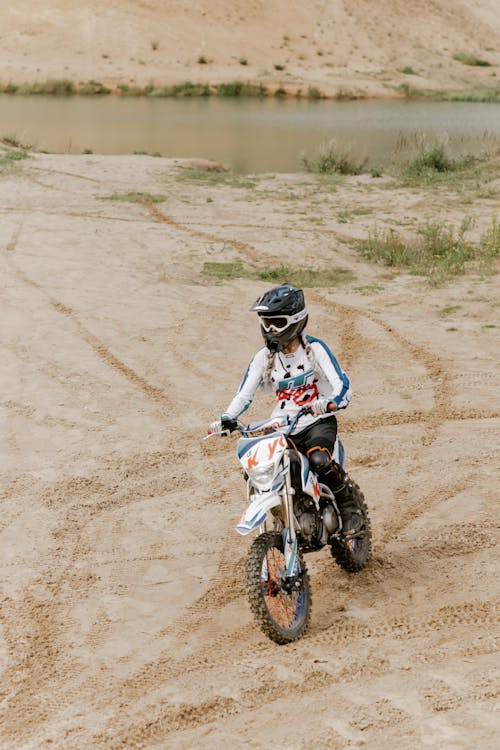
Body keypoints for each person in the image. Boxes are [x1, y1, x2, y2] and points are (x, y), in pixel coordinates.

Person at [209, 283, 363, 535]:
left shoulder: (315, 350)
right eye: (265, 322)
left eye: (276, 322)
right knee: (260, 468)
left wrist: (331, 402)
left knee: (319, 459)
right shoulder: (263, 358)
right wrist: (227, 418)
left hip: (316, 422)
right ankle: (287, 515)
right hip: (282, 425)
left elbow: (343, 386)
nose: (270, 330)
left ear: (296, 321)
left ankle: (348, 505)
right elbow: (244, 395)